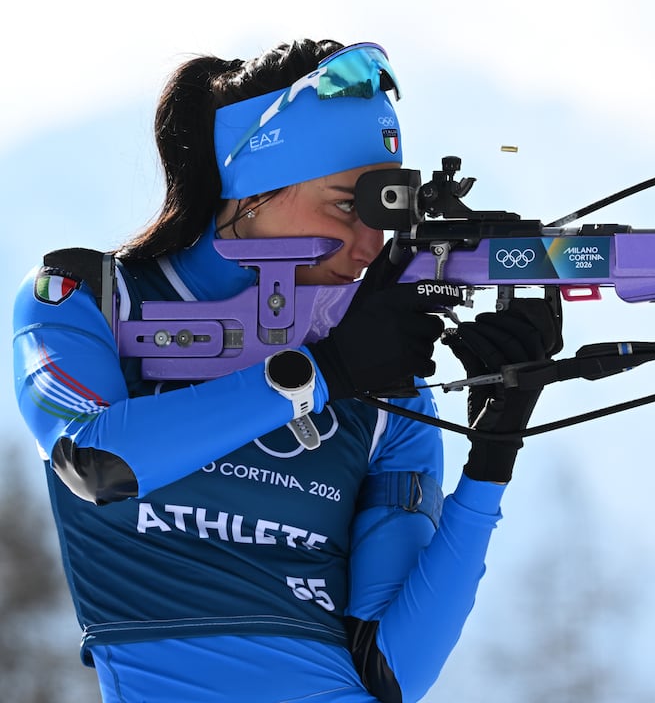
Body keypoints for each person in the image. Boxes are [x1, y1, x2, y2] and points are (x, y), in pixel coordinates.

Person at [11, 39, 561, 702]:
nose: (371, 244)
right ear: (250, 191)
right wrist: (322, 373)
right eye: (346, 205)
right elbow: (96, 463)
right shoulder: (87, 299)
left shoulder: (390, 390)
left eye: (386, 211)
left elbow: (391, 673)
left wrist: (493, 457)